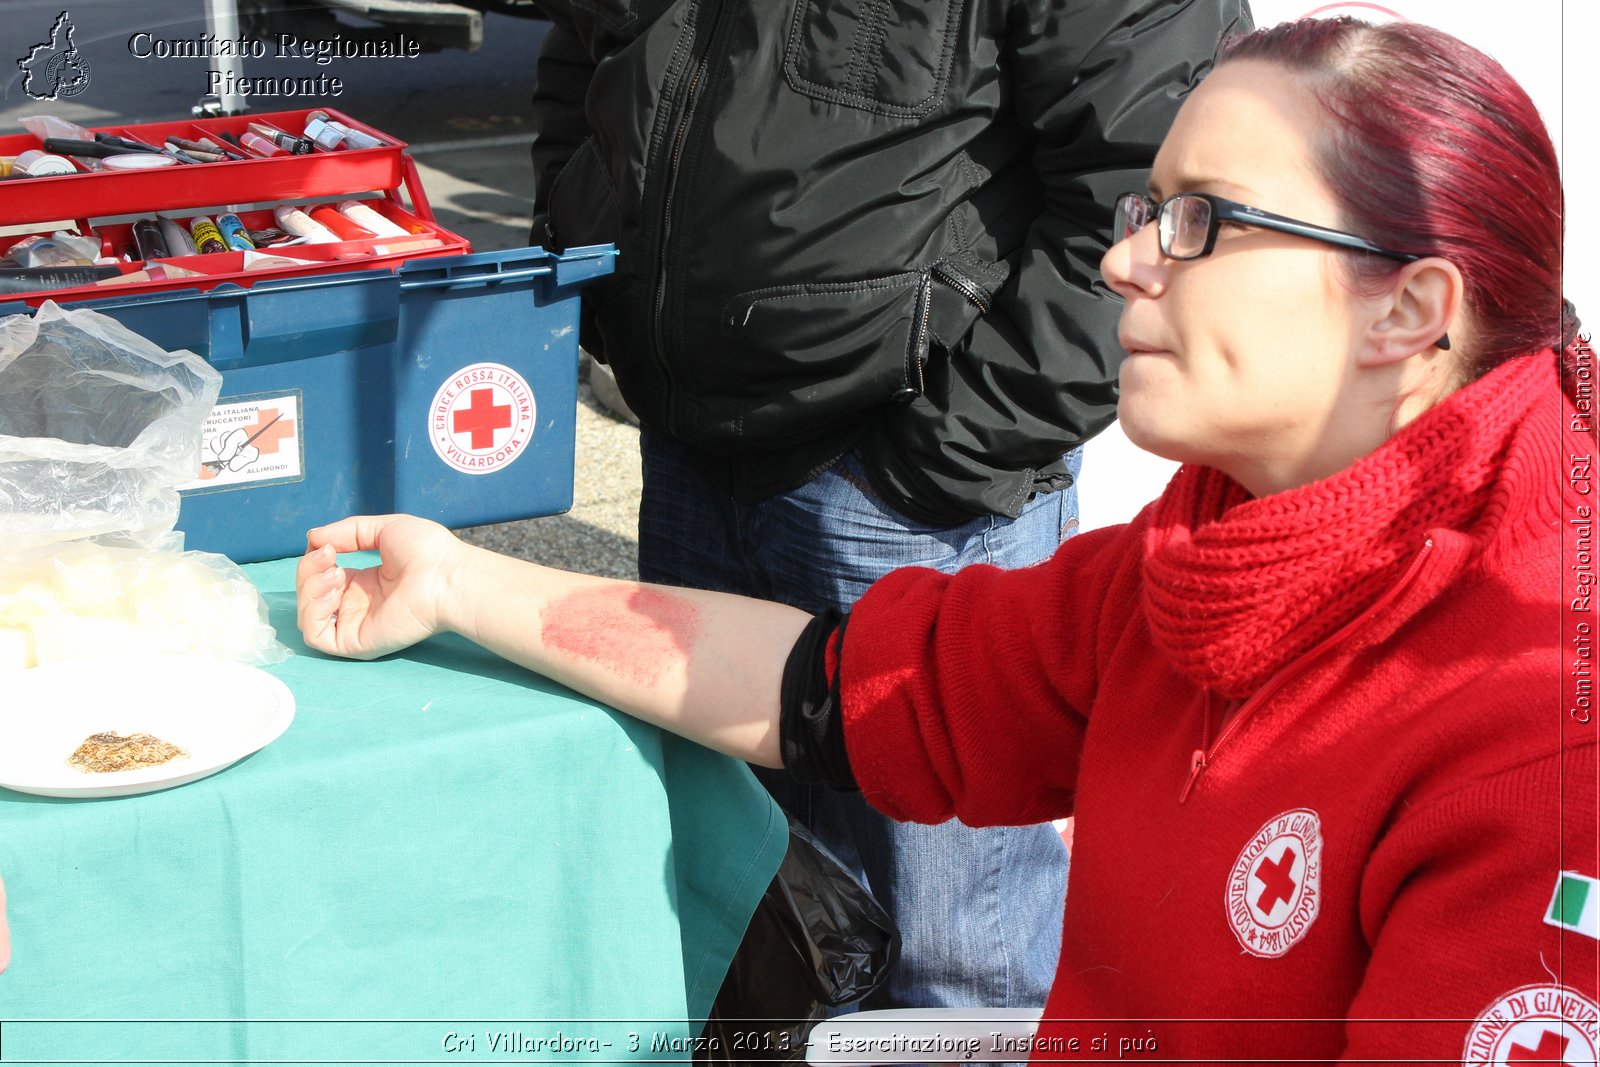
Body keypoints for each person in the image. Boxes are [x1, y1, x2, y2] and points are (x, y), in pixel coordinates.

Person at [300, 16, 1597, 1059]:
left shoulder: (1542, 730)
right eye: (1146, 209)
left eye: (1198, 220)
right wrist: (455, 580)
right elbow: (835, 689)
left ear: (1408, 310)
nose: (1123, 263)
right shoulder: (1199, 563)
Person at [524, 0, 1249, 1011]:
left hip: (908, 486)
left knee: (955, 953)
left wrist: (948, 449)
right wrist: (589, 257)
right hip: (692, 450)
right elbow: (589, 59)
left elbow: (1145, 178)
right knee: (757, 903)